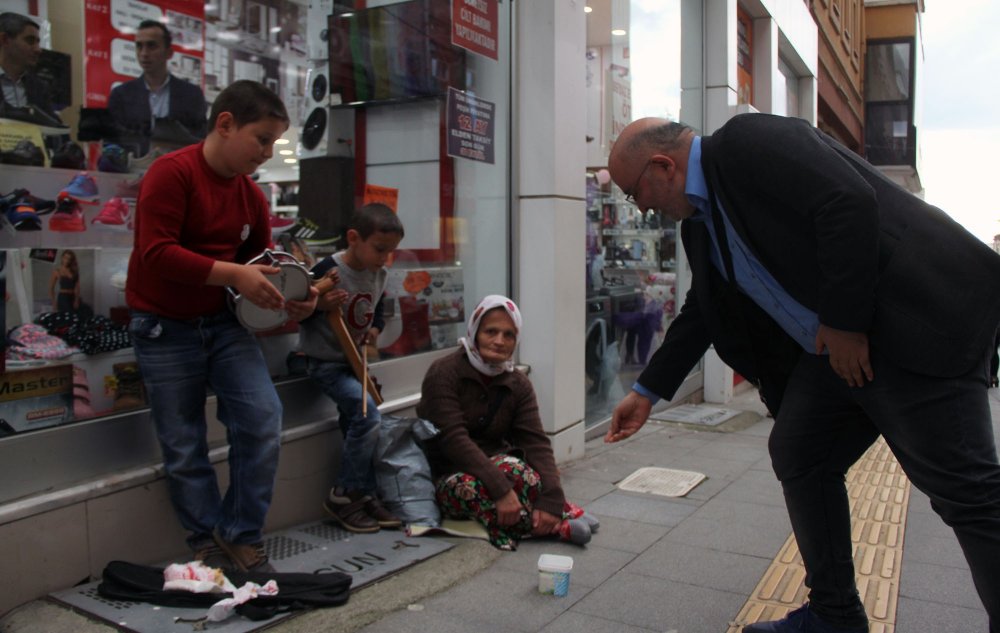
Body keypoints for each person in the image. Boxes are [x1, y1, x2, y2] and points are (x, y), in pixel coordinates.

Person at [603, 114, 1000, 633]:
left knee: (966, 493)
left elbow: (847, 201)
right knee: (800, 451)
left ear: (663, 165)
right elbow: (703, 308)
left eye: (636, 192)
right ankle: (835, 616)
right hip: (834, 354)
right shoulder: (700, 225)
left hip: (910, 329)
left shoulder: (747, 143)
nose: (644, 207)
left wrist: (844, 323)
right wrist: (647, 391)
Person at [125, 80, 318, 573]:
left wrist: (290, 298)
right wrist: (235, 274)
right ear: (225, 123)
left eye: (274, 142)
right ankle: (205, 540)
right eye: (262, 139)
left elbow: (259, 269)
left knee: (261, 418)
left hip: (224, 323)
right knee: (183, 442)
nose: (267, 152)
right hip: (163, 326)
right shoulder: (171, 174)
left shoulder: (251, 197)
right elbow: (156, 253)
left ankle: (239, 532)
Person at [417, 295, 598, 551]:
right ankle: (558, 523)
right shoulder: (444, 373)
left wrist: (552, 496)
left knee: (524, 473)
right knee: (472, 489)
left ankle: (551, 511)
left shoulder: (517, 383)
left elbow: (535, 441)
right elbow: (453, 439)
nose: (499, 341)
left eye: (508, 334)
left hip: (497, 466)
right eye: (491, 331)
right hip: (448, 472)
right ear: (474, 331)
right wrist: (502, 491)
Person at [297, 203, 405, 533]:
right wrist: (319, 306)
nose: (384, 258)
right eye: (379, 249)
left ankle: (364, 493)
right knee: (367, 415)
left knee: (358, 426)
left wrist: (375, 327)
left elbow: (377, 307)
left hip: (354, 362)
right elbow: (296, 308)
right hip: (326, 363)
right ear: (354, 238)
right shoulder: (326, 270)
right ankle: (345, 494)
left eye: (390, 252)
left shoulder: (379, 273)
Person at [107, 19, 207, 156]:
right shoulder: (121, 96)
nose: (144, 53)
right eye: (139, 46)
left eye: (151, 46)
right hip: (134, 171)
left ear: (169, 53)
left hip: (179, 171)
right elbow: (112, 142)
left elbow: (201, 141)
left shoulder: (192, 95)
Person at [0, 12, 62, 126]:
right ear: (4, 39)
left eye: (38, 42)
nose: (38, 50)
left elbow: (55, 128)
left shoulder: (39, 88)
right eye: (30, 41)